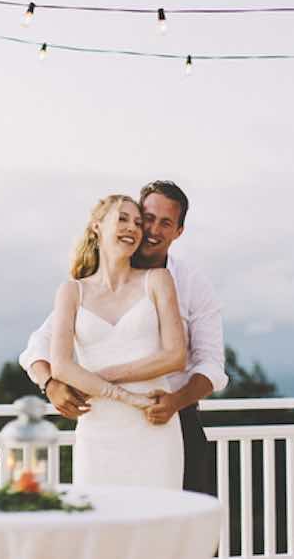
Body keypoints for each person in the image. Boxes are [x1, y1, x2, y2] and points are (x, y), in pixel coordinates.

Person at [21, 180, 226, 494]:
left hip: (170, 412)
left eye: (165, 222)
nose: (152, 229)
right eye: (147, 219)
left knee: (188, 533)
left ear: (178, 232)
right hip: (100, 422)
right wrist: (51, 383)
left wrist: (173, 401)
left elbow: (210, 365)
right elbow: (40, 345)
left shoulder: (187, 282)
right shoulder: (80, 289)